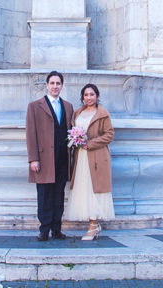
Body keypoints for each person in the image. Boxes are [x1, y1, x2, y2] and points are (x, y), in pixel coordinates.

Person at [26, 70, 74, 241]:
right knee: (44, 194)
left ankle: (57, 228)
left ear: (62, 86)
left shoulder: (68, 106)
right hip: (43, 158)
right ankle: (44, 229)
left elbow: (70, 131)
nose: (55, 86)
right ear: (46, 85)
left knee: (58, 194)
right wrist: (33, 158)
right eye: (52, 83)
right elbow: (31, 134)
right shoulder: (34, 106)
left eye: (58, 83)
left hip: (62, 157)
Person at [67, 83, 115, 241]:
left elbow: (109, 135)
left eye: (92, 94)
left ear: (97, 96)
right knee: (84, 188)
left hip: (96, 156)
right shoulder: (77, 113)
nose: (89, 98)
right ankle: (92, 223)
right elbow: (72, 131)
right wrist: (75, 140)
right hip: (81, 156)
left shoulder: (102, 113)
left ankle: (93, 225)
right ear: (82, 97)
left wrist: (90, 143)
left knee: (95, 189)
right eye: (86, 95)